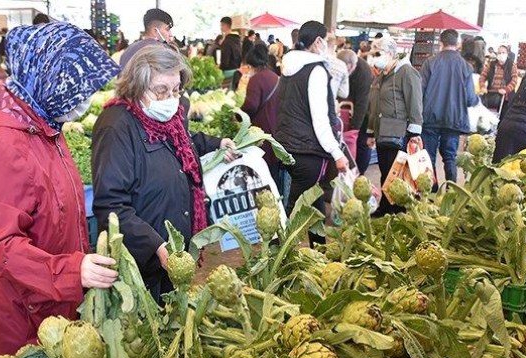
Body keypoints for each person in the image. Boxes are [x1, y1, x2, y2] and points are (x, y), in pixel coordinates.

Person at [0, 22, 120, 358]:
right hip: (13, 320)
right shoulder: (0, 144)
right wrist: (73, 271)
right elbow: (1, 249)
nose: (84, 100)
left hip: (45, 304)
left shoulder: (43, 123)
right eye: (76, 88)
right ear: (49, 80)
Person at [92, 45, 236, 302]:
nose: (171, 97)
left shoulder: (171, 119)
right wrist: (155, 245)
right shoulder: (117, 126)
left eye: (176, 90)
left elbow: (183, 142)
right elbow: (111, 206)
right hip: (141, 264)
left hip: (173, 256)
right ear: (136, 86)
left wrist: (215, 144)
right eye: (161, 90)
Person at [275, 21, 348, 244]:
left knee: (312, 203)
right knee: (293, 213)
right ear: (317, 42)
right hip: (307, 151)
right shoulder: (316, 70)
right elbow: (320, 121)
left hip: (286, 145)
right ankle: (275, 262)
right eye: (325, 41)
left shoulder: (288, 67)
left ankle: (320, 252)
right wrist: (337, 153)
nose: (326, 45)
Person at [367, 37, 423, 215]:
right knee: (386, 171)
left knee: (398, 174)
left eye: (378, 53)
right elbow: (374, 104)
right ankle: (385, 207)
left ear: (390, 53)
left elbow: (415, 102)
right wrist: (370, 131)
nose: (374, 57)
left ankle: (398, 211)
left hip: (399, 132)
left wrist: (414, 131)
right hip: (382, 131)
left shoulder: (406, 72)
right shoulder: (382, 75)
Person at [420, 29, 479, 189]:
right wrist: (477, 100)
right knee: (450, 157)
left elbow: (421, 91)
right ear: (458, 44)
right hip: (454, 119)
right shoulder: (465, 66)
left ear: (441, 43)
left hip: (430, 118)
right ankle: (452, 194)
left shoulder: (430, 63)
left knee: (429, 157)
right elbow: (470, 98)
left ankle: (431, 194)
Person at [241, 44, 281, 184]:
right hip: (276, 130)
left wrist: (239, 115)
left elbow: (251, 105)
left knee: (263, 172)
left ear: (252, 64)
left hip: (262, 131)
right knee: (273, 173)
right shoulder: (275, 77)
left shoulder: (255, 80)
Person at [338, 49, 373, 174]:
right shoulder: (338, 67)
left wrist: (354, 129)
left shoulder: (364, 72)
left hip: (363, 114)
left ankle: (359, 174)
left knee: (362, 145)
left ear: (351, 66)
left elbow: (362, 104)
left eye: (346, 70)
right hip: (344, 112)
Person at [479, 45, 518, 115]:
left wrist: (506, 90)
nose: (501, 54)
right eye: (499, 53)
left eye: (503, 52)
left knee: (503, 117)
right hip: (492, 95)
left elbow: (514, 80)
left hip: (506, 98)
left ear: (507, 54)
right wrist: (482, 86)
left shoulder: (512, 65)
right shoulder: (491, 64)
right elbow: (482, 76)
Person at [325, 33, 349, 99]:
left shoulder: (311, 61)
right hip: (330, 103)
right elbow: (344, 93)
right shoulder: (341, 65)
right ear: (334, 46)